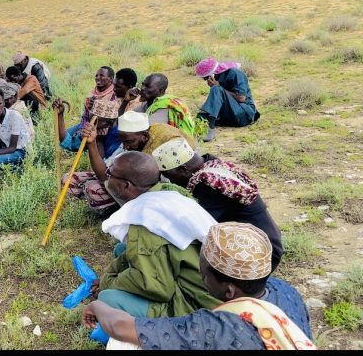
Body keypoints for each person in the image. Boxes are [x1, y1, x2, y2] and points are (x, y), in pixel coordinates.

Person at [81, 222, 315, 350]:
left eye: (204, 276)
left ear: (229, 291)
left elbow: (121, 327)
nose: (201, 279)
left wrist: (97, 306)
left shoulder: (213, 328)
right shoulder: (286, 292)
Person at [92, 151, 220, 320]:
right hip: (203, 279)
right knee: (122, 249)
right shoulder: (168, 192)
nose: (107, 177)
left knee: (107, 299)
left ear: (126, 185)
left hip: (197, 304)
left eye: (110, 174)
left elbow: (158, 288)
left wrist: (108, 284)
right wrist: (109, 275)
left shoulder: (145, 221)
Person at [152, 138, 283, 271]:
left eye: (168, 175)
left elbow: (197, 227)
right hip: (266, 240)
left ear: (183, 169)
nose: (169, 181)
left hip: (261, 255)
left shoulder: (206, 184)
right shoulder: (211, 163)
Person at [63, 111, 195, 214]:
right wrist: (92, 143)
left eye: (128, 142)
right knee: (69, 179)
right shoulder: (130, 142)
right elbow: (104, 173)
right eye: (123, 141)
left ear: (144, 136)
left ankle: (124, 211)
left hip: (146, 197)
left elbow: (105, 178)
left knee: (94, 188)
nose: (125, 146)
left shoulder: (159, 153)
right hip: (121, 182)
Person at [55, 66, 119, 156]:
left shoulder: (115, 94)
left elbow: (109, 117)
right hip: (87, 123)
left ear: (111, 79)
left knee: (68, 142)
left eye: (101, 75)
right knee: (62, 135)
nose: (97, 78)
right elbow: (85, 115)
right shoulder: (94, 92)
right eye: (96, 75)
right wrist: (82, 127)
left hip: (100, 128)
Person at [195, 57, 260, 142]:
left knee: (216, 89)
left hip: (244, 114)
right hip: (231, 115)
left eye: (206, 77)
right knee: (212, 96)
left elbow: (241, 98)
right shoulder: (217, 78)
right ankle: (198, 126)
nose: (206, 80)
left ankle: (210, 131)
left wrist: (218, 86)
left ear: (212, 73)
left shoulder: (235, 73)